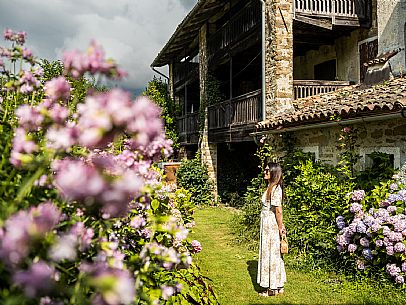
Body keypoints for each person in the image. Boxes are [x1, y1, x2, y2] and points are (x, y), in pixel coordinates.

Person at [257, 162, 286, 296]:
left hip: (270, 223)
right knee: (273, 253)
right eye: (265, 170)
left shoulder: (275, 189)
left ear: (274, 172)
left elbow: (278, 210)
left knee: (270, 253)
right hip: (267, 222)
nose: (265, 172)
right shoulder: (271, 187)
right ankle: (278, 285)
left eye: (267, 170)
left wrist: (281, 227)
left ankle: (271, 288)